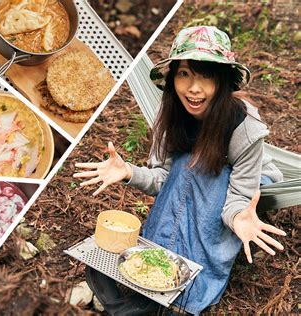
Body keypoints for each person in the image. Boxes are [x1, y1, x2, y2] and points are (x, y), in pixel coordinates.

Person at [74, 26, 287, 315]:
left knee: (197, 172)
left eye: (206, 75)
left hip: (243, 180)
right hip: (192, 177)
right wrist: (129, 173)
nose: (193, 88)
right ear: (173, 76)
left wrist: (239, 218)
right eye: (184, 73)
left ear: (222, 81)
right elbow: (163, 179)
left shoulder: (244, 127)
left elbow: (239, 194)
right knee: (187, 170)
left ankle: (188, 293)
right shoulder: (171, 112)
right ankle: (157, 269)